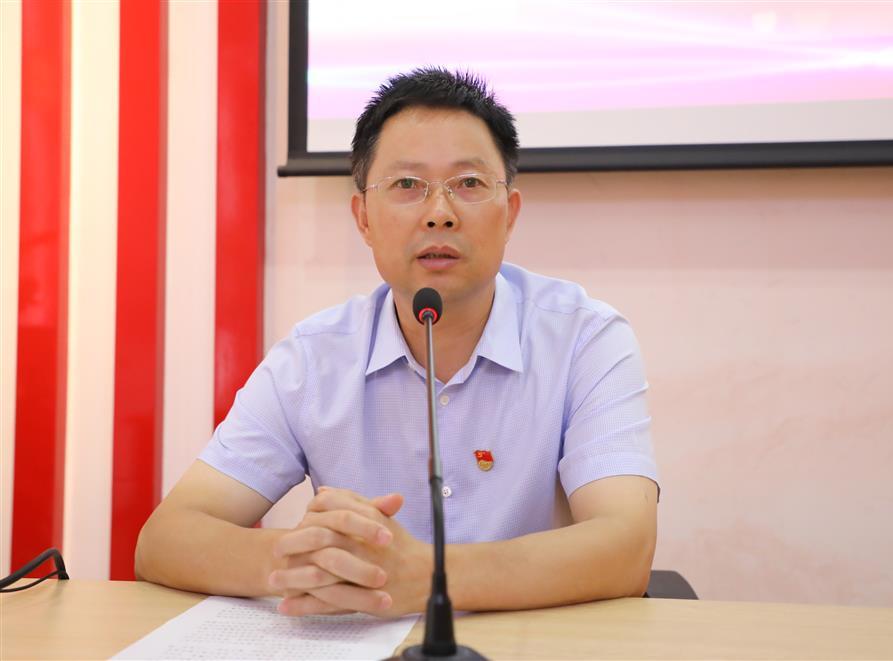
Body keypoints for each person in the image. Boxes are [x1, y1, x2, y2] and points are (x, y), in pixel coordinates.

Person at [135, 68, 659, 617]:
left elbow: (627, 547)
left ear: (510, 214)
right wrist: (313, 561)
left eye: (469, 184)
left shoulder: (584, 340)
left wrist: (427, 576)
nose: (440, 213)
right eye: (408, 185)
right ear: (363, 218)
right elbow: (165, 539)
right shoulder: (314, 359)